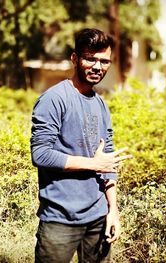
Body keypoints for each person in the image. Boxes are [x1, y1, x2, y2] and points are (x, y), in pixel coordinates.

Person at [31, 28, 132, 263]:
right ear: (75, 58)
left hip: (98, 218)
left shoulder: (101, 104)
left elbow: (107, 161)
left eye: (104, 61)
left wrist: (113, 210)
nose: (98, 67)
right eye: (90, 58)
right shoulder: (54, 99)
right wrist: (93, 163)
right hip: (60, 219)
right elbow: (41, 154)